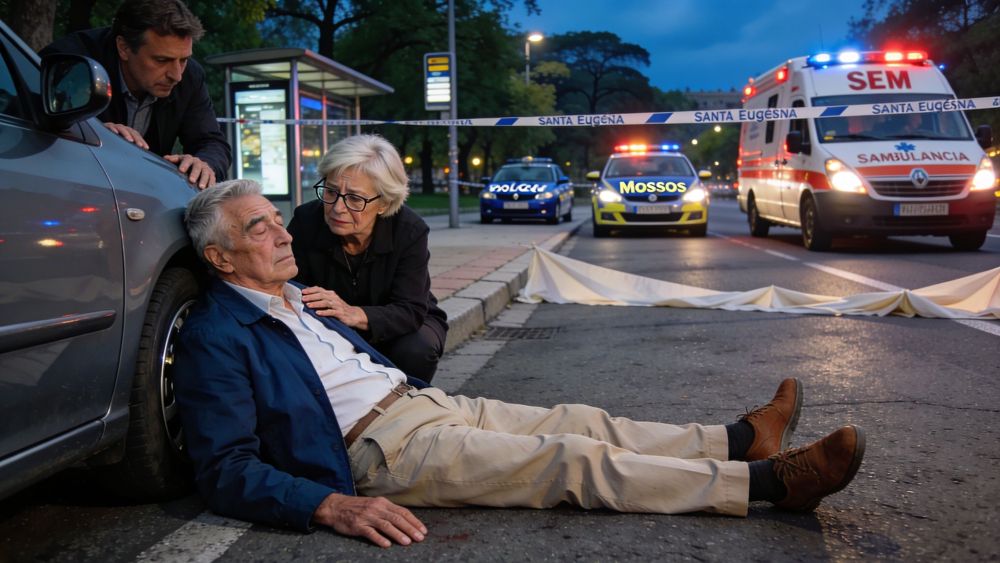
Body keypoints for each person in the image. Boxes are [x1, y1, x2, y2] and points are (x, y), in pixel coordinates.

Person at [175, 179, 867, 548]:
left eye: (277, 218)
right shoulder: (216, 333)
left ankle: (739, 439)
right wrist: (328, 504)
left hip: (422, 403)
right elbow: (225, 468)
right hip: (380, 448)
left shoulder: (297, 294)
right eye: (259, 227)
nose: (282, 232)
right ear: (219, 257)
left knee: (581, 420)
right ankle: (767, 483)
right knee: (568, 459)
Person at [287, 135, 447, 382]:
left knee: (415, 350)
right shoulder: (306, 221)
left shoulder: (409, 231)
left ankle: (407, 401)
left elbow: (410, 310)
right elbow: (290, 289)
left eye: (355, 198)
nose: (338, 208)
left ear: (384, 202)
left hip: (403, 321)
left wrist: (354, 313)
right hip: (328, 321)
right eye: (330, 191)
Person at [41, 0, 230, 189]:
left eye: (184, 60)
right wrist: (90, 131)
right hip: (62, 187)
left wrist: (204, 164)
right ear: (123, 48)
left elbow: (212, 142)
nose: (176, 75)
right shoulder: (70, 64)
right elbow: (33, 126)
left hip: (143, 194)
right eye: (162, 60)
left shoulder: (190, 77)